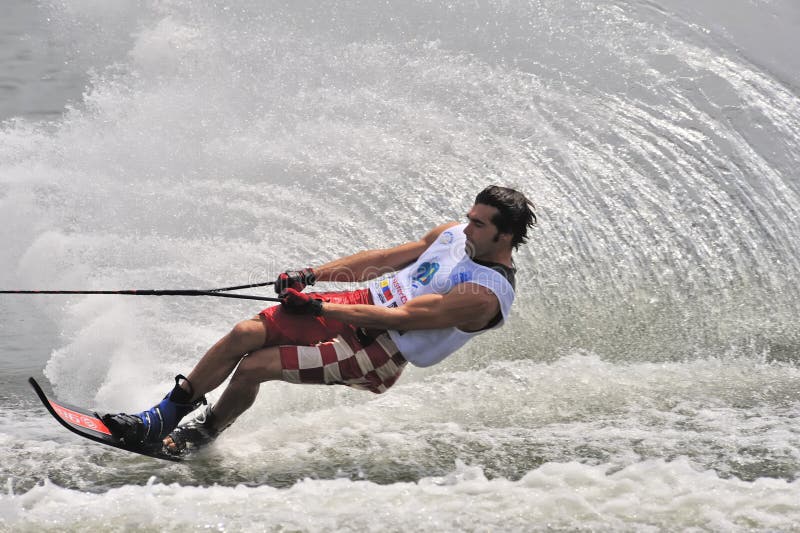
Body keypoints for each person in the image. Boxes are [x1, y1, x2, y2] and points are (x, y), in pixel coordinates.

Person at [103, 185, 536, 454]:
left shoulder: (484, 295)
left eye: (478, 225)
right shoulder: (453, 234)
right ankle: (160, 417)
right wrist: (311, 276)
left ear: (506, 235)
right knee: (244, 334)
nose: (466, 228)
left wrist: (320, 307)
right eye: (469, 218)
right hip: (361, 299)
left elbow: (401, 316)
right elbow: (384, 260)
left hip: (381, 350)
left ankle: (205, 433)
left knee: (255, 366)